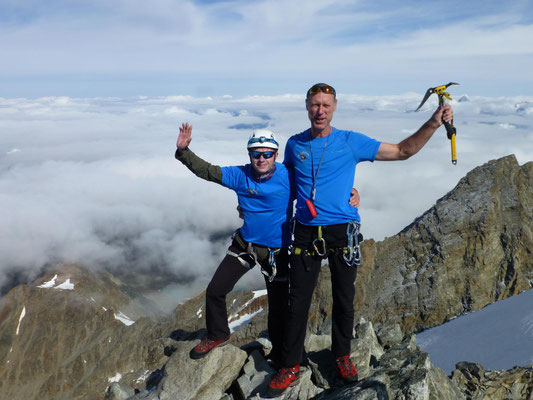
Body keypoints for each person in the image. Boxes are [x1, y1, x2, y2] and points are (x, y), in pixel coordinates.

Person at [266, 83, 454, 397]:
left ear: (335, 107)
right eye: (314, 105)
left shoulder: (351, 141)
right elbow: (286, 183)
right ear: (306, 106)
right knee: (297, 302)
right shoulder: (293, 144)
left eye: (326, 105)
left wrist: (434, 123)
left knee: (344, 300)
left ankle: (341, 355)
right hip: (305, 230)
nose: (320, 111)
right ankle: (290, 363)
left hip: (342, 229)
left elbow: (402, 151)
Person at [175, 123, 293, 364]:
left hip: (277, 251)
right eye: (256, 154)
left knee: (279, 307)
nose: (261, 159)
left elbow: (318, 188)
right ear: (249, 155)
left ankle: (282, 354)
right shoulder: (240, 175)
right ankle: (218, 334)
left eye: (267, 154)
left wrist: (350, 194)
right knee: (216, 291)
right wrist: (184, 153)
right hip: (245, 246)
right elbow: (207, 171)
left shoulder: (289, 177)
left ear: (276, 155)